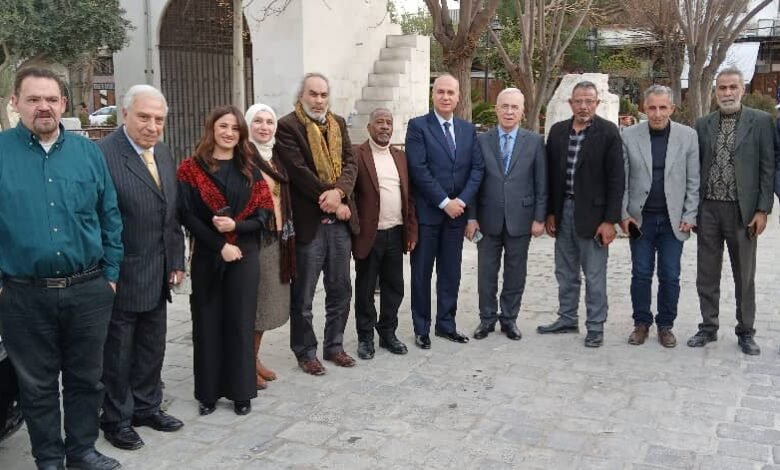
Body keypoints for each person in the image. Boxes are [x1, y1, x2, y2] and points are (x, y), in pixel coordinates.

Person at [0, 67, 123, 470]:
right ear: (15, 103)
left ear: (64, 104)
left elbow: (109, 215)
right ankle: (49, 458)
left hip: (87, 289)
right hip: (23, 293)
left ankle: (82, 450)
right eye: (33, 99)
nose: (44, 107)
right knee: (36, 385)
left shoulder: (88, 153)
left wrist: (111, 275)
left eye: (51, 99)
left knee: (87, 378)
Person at [98, 85, 185, 451]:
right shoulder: (103, 155)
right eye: (144, 117)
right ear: (125, 115)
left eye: (159, 120)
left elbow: (170, 213)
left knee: (152, 346)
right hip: (121, 275)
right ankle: (116, 419)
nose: (152, 126)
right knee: (118, 354)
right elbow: (96, 219)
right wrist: (107, 272)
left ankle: (147, 407)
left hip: (158, 271)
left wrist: (176, 259)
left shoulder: (162, 152)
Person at [177, 105, 273, 415]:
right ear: (212, 129)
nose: (229, 132)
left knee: (240, 323)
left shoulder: (250, 168)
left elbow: (264, 214)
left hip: (244, 255)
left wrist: (236, 227)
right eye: (223, 126)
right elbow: (186, 215)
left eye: (234, 128)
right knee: (207, 324)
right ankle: (207, 393)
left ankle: (241, 392)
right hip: (208, 255)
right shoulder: (191, 169)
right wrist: (220, 244)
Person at [688, 67, 775, 355]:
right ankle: (708, 327)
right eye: (722, 88)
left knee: (744, 274)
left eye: (732, 87)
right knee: (707, 273)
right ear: (715, 92)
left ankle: (746, 331)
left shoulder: (761, 121)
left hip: (743, 211)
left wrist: (762, 209)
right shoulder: (703, 124)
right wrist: (693, 209)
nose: (727, 93)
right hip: (709, 209)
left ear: (742, 89)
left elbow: (767, 167)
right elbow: (695, 168)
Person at [276, 73, 359, 375]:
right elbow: (298, 171)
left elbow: (351, 163)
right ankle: (305, 351)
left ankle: (334, 346)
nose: (319, 100)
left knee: (340, 290)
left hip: (339, 225)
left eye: (324, 95)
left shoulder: (338, 123)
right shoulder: (287, 126)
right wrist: (330, 198)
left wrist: (339, 194)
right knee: (304, 296)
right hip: (309, 224)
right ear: (301, 96)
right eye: (313, 94)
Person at [537, 81, 625, 348]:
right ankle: (567, 318)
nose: (584, 106)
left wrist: (609, 221)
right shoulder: (557, 132)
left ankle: (595, 326)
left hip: (595, 217)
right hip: (563, 211)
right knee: (565, 271)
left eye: (589, 101)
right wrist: (550, 212)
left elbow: (616, 180)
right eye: (579, 101)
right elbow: (550, 176)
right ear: (571, 104)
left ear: (597, 103)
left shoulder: (608, 132)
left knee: (594, 275)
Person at [405, 74, 485, 349]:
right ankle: (421, 328)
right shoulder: (418, 127)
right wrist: (444, 202)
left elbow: (477, 169)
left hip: (456, 217)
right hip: (428, 215)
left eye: (451, 92)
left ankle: (446, 325)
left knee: (451, 273)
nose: (445, 97)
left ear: (458, 96)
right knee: (421, 274)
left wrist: (461, 201)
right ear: (433, 94)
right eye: (440, 91)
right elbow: (418, 169)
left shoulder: (467, 130)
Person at [620, 85, 699, 348]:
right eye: (652, 107)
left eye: (662, 107)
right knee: (641, 273)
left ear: (672, 109)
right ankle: (641, 323)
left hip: (673, 221)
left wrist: (690, 213)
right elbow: (622, 180)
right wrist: (624, 214)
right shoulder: (629, 136)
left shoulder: (688, 136)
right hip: (640, 219)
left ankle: (666, 325)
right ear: (644, 108)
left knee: (670, 275)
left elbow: (693, 180)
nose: (657, 113)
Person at [466, 88, 546, 341]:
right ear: (496, 109)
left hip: (521, 219)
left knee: (515, 272)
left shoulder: (534, 142)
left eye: (514, 107)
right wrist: (471, 217)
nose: (509, 112)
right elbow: (473, 181)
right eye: (505, 106)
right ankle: (487, 319)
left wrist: (539, 218)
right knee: (486, 273)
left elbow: (541, 182)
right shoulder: (481, 141)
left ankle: (509, 319)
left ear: (522, 111)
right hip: (487, 220)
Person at [352, 108, 418, 359]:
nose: (384, 127)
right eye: (379, 122)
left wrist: (411, 230)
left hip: (396, 232)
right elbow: (350, 195)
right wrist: (355, 229)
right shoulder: (357, 154)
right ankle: (365, 337)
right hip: (370, 234)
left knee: (394, 287)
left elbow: (409, 196)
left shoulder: (400, 156)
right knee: (366, 288)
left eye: (388, 122)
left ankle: (388, 333)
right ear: (369, 127)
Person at [245, 103, 296, 389]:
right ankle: (245, 363)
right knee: (252, 305)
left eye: (269, 122)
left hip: (277, 238)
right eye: (258, 121)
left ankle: (254, 357)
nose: (264, 127)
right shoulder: (243, 157)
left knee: (265, 304)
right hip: (255, 240)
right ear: (248, 125)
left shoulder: (275, 157)